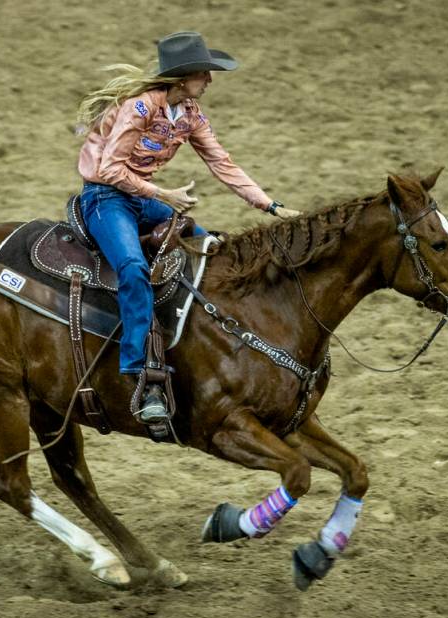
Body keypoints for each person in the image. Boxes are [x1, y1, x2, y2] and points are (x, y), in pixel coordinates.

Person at [76, 31, 302, 423]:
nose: (209, 80)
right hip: (105, 198)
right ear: (181, 79)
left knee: (208, 247)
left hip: (142, 199)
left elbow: (222, 163)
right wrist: (164, 194)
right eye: (203, 73)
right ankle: (136, 369)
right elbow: (109, 169)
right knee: (132, 269)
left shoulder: (191, 114)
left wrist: (270, 205)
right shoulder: (140, 107)